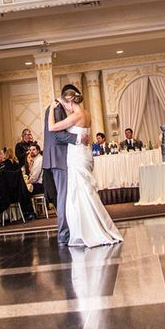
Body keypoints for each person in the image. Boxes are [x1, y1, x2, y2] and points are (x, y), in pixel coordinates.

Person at [48, 86, 122, 248]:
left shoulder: (76, 115)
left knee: (79, 193)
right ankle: (94, 226)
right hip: (85, 153)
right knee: (85, 191)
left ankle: (87, 230)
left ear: (69, 101)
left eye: (64, 104)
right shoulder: (87, 113)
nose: (64, 108)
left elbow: (52, 128)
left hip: (77, 157)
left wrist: (52, 111)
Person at [42, 83, 89, 244]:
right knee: (63, 197)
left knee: (65, 195)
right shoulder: (56, 108)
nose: (73, 107)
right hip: (58, 157)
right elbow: (56, 135)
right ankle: (64, 234)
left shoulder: (57, 108)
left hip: (58, 157)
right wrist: (78, 139)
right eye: (73, 103)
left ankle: (68, 231)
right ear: (68, 99)